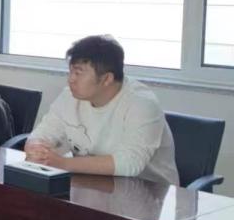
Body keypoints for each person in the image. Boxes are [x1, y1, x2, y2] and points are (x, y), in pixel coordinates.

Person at [25, 35, 178, 185]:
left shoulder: (142, 103)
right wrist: (36, 148)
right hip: (92, 185)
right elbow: (42, 134)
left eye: (78, 73)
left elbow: (130, 163)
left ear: (107, 79)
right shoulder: (69, 96)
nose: (70, 79)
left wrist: (63, 163)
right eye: (70, 72)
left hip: (149, 191)